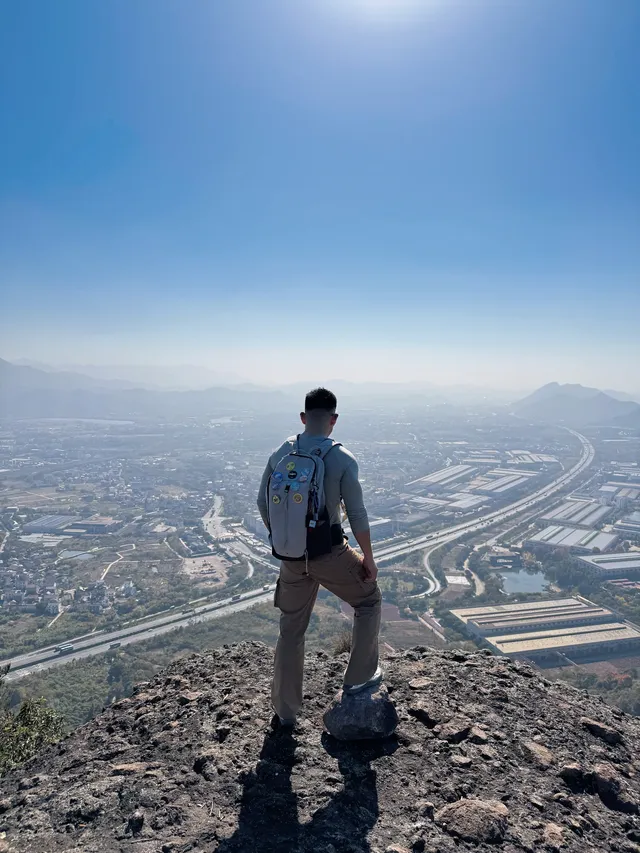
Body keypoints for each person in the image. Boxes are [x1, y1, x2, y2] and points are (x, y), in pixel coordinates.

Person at [257, 387, 383, 727]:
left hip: (291, 557)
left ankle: (285, 712)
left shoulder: (284, 450)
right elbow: (357, 515)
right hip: (329, 553)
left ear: (302, 418)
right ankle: (358, 680)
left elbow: (261, 501)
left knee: (291, 631)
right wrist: (368, 559)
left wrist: (282, 538)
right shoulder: (341, 458)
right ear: (333, 420)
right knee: (369, 600)